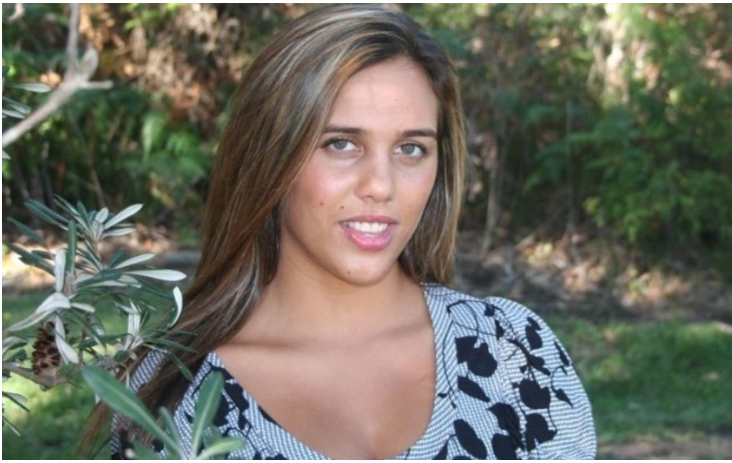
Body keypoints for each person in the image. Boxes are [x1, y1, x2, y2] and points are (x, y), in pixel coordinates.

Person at [97, 4, 596, 459]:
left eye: (411, 149)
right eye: (341, 143)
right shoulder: (174, 393)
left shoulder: (513, 352)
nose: (381, 185)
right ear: (271, 155)